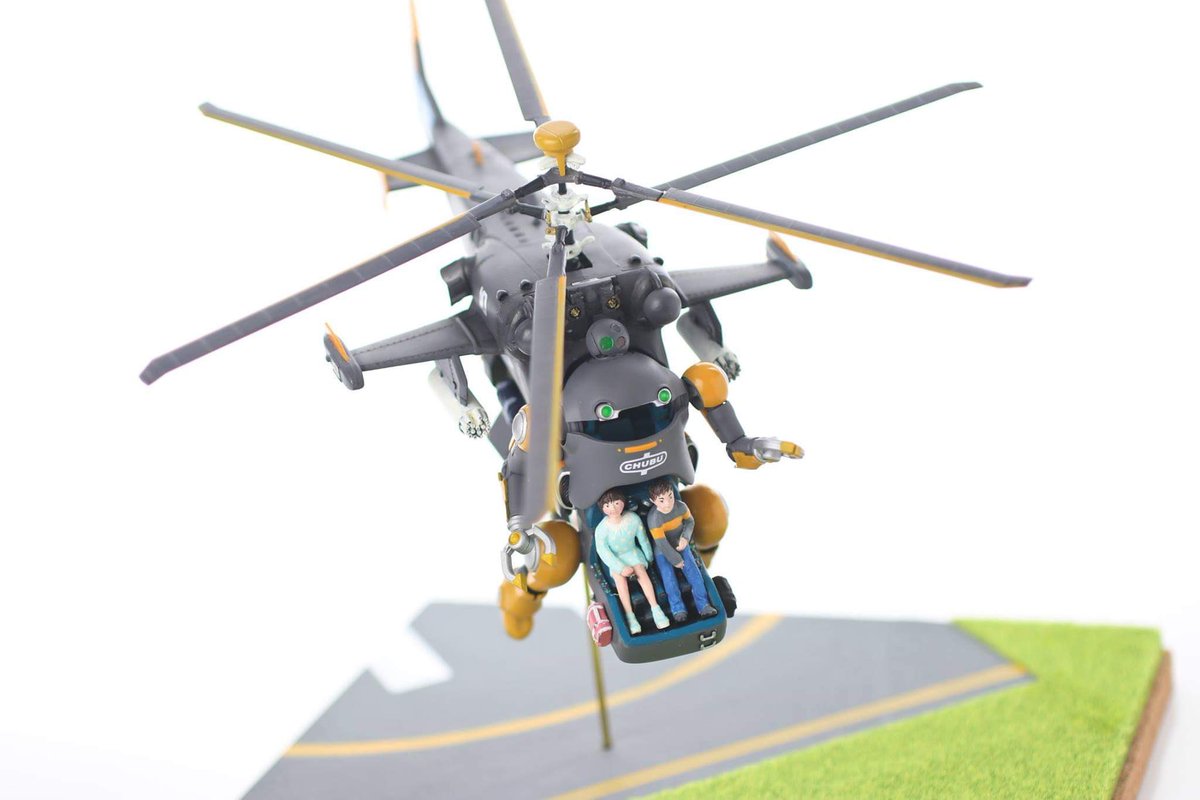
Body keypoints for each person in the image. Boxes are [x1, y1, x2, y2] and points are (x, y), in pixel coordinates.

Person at [594, 488, 670, 634]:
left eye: (616, 503)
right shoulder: (602, 529)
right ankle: (630, 616)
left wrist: (648, 556)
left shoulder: (633, 519)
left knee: (641, 572)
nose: (613, 509)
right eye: (607, 505)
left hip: (633, 553)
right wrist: (620, 567)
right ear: (603, 508)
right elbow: (603, 551)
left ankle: (656, 608)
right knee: (620, 581)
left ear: (623, 503)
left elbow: (643, 539)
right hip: (616, 559)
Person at [646, 478, 718, 621]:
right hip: (663, 552)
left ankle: (704, 605)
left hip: (681, 544)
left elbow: (690, 521)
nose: (668, 503)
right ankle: (678, 609)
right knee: (669, 579)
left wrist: (685, 537)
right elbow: (661, 543)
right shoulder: (654, 519)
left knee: (694, 573)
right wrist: (676, 560)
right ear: (653, 501)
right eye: (661, 500)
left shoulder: (681, 507)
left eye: (670, 496)